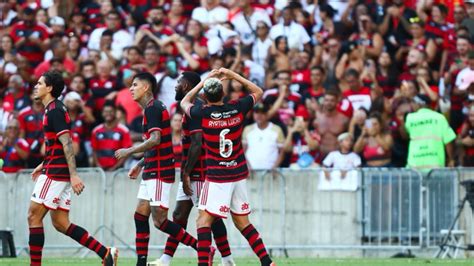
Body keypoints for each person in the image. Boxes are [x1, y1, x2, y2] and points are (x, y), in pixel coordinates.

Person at [181, 68, 274, 266]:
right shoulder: (237, 108)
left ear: (205, 96)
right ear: (223, 94)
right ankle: (267, 262)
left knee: (202, 221)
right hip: (238, 173)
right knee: (242, 222)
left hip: (217, 176)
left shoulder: (201, 112)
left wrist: (205, 80)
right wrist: (231, 75)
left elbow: (185, 101)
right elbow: (258, 91)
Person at [27, 71, 118, 266]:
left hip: (56, 173)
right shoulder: (52, 109)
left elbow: (67, 143)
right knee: (60, 223)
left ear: (49, 88)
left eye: (40, 83)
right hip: (54, 169)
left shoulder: (55, 111)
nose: (36, 85)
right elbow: (57, 145)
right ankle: (106, 252)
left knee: (33, 216)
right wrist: (42, 164)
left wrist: (74, 175)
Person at [115, 73, 200, 266]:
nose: (131, 88)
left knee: (160, 221)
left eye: (135, 85)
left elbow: (155, 140)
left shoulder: (153, 108)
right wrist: (139, 164)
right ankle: (141, 262)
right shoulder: (151, 109)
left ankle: (202, 248)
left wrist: (129, 151)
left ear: (146, 88)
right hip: (152, 168)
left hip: (160, 171)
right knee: (140, 215)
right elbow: (155, 145)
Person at [151, 71, 235, 266]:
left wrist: (187, 173)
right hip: (190, 171)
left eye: (179, 83)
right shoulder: (189, 108)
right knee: (179, 215)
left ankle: (227, 259)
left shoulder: (196, 109)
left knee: (210, 218)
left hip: (199, 172)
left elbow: (197, 143)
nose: (175, 86)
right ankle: (165, 259)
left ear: (187, 86)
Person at [404, 95, 456, 169]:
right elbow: (448, 140)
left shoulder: (410, 118)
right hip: (435, 165)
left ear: (420, 104)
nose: (411, 105)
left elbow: (405, 136)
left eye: (413, 102)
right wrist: (451, 159)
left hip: (414, 165)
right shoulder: (439, 118)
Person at [243, 103, 285, 170]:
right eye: (256, 112)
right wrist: (247, 167)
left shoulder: (277, 129)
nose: (259, 115)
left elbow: (282, 151)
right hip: (251, 172)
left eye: (262, 113)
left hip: (270, 172)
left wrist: (274, 167)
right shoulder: (247, 129)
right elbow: (243, 151)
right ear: (253, 114)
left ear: (267, 114)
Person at [91, 102, 132, 171]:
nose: (108, 114)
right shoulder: (96, 131)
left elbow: (126, 151)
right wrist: (98, 166)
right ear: (102, 113)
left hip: (117, 171)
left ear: (115, 112)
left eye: (110, 111)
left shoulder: (124, 130)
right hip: (101, 170)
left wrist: (116, 167)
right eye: (105, 111)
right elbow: (94, 150)